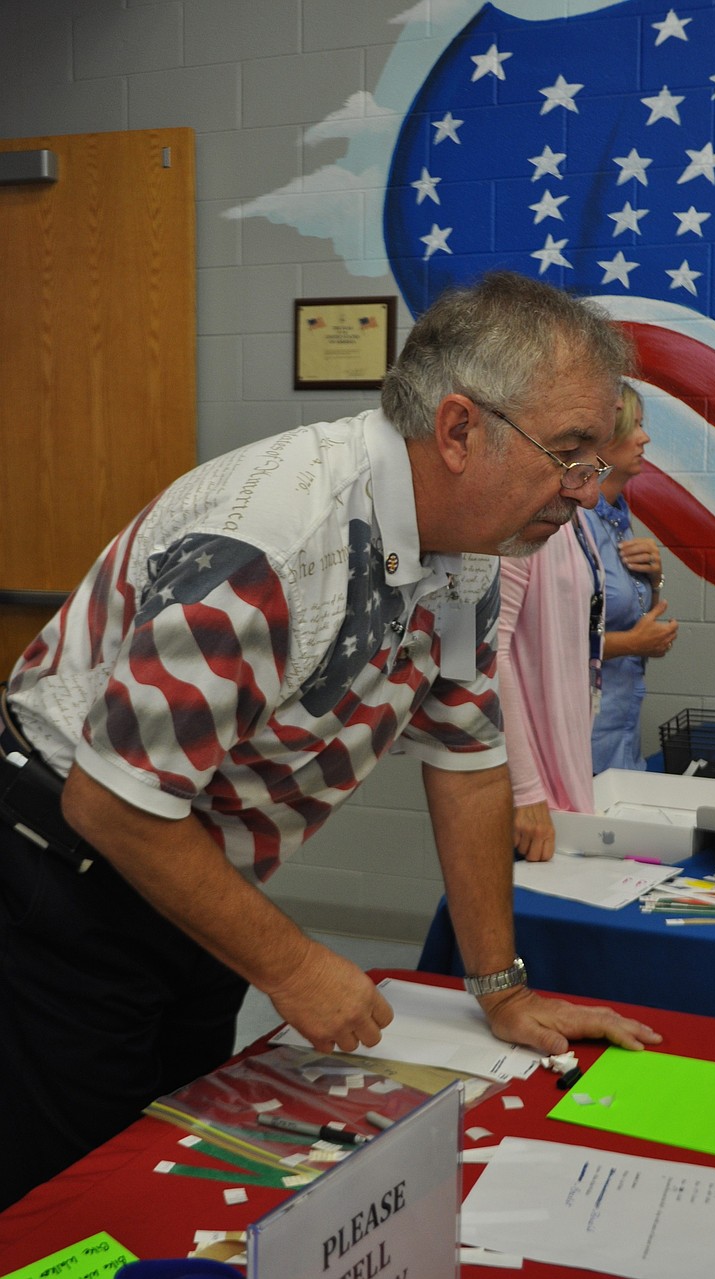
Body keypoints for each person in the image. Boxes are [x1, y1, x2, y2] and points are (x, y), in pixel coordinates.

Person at [0, 271, 661, 1210]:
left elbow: (468, 761)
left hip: (192, 865)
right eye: (570, 454)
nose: (588, 492)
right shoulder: (274, 542)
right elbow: (112, 802)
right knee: (74, 1189)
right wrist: (295, 965)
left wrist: (502, 987)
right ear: (461, 430)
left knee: (173, 1152)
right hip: (63, 864)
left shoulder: (475, 543)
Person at [498, 506, 604, 863]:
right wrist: (527, 792)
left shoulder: (578, 521)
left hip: (565, 769)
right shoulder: (518, 517)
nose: (592, 494)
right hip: (532, 792)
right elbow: (489, 658)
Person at [584, 383, 678, 773]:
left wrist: (655, 581)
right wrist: (634, 643)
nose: (645, 438)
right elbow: (547, 644)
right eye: (634, 426)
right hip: (582, 736)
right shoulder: (574, 522)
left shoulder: (617, 518)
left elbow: (630, 612)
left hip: (620, 730)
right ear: (602, 439)